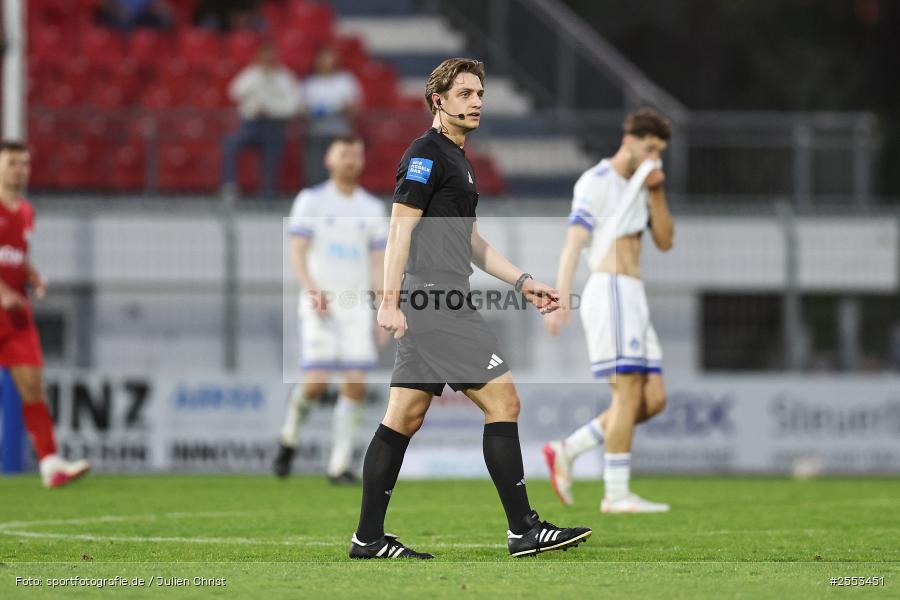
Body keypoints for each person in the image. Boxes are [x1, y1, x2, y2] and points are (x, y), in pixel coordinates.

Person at [348, 58, 592, 560]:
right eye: (465, 93)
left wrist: (522, 280)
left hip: (435, 298)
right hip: (436, 301)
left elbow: (472, 241)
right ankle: (523, 529)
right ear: (438, 101)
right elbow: (399, 230)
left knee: (404, 416)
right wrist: (388, 303)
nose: (476, 101)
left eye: (480, 93)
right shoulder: (425, 155)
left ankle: (368, 539)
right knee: (503, 404)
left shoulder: (459, 157)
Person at [542, 108, 675, 513]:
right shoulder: (597, 182)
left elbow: (666, 241)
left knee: (652, 401)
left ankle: (568, 448)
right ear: (630, 141)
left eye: (661, 151)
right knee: (628, 392)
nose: (655, 157)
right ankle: (615, 493)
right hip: (610, 289)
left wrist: (655, 190)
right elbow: (573, 242)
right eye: (650, 148)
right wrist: (561, 295)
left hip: (634, 293)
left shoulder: (643, 184)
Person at [274, 135, 387, 484]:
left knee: (355, 383)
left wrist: (384, 306)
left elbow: (379, 261)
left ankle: (339, 465)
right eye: (344, 154)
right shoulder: (311, 201)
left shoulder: (372, 208)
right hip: (319, 301)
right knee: (316, 382)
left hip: (355, 308)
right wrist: (310, 288)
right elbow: (297, 249)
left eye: (356, 153)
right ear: (329, 159)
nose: (351, 160)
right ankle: (289, 436)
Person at [0, 142, 90, 488]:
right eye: (11, 163)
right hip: (5, 304)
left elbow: (15, 257)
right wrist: (3, 292)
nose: (19, 170)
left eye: (24, 163)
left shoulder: (26, 212)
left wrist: (32, 277)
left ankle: (51, 466)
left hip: (16, 317)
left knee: (34, 387)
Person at [221, 42, 301, 200]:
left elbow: (293, 105)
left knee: (271, 157)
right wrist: (259, 76)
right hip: (251, 125)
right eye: (264, 56)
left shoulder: (285, 77)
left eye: (271, 56)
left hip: (274, 125)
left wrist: (271, 109)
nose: (268, 60)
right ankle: (230, 186)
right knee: (230, 144)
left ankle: (267, 194)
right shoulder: (251, 74)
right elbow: (235, 92)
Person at [301, 46, 361, 187]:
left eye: (329, 58)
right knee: (316, 170)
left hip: (339, 133)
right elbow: (302, 108)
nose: (326, 62)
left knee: (340, 168)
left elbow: (355, 106)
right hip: (316, 132)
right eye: (323, 58)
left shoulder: (345, 80)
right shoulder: (310, 83)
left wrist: (340, 108)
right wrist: (312, 111)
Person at [96, 0, 173, 30]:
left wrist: (157, 7)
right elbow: (103, 4)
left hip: (145, 13)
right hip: (121, 15)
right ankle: (125, 55)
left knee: (164, 18)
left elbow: (154, 4)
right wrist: (116, 8)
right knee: (123, 20)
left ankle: (165, 55)